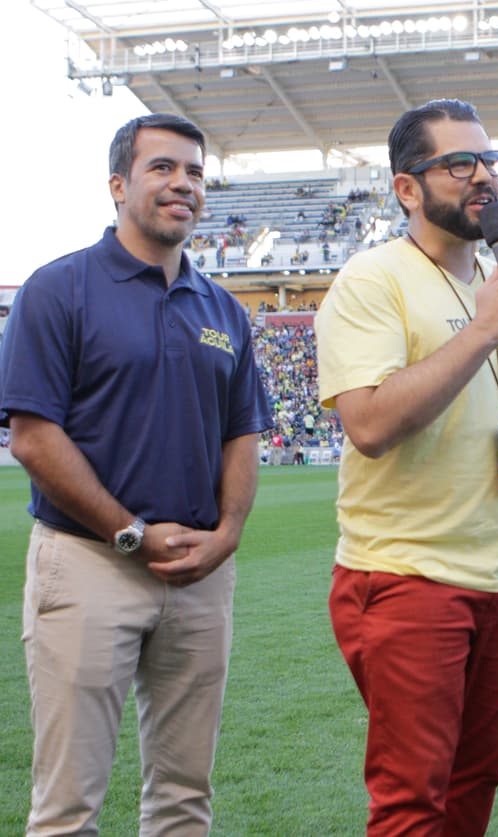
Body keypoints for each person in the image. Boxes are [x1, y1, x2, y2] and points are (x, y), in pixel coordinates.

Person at [0, 112, 273, 835]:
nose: (183, 183)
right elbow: (31, 435)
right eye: (163, 168)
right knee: (68, 807)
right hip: (92, 562)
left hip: (200, 574)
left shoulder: (223, 308)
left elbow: (244, 430)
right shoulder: (59, 288)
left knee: (184, 797)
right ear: (118, 184)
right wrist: (131, 534)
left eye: (195, 172)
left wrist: (229, 535)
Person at [315, 98, 498, 836]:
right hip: (407, 576)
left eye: (490, 160)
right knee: (411, 800)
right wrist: (485, 329)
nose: (482, 176)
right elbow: (368, 424)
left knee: (477, 778)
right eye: (459, 163)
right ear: (407, 188)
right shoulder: (373, 279)